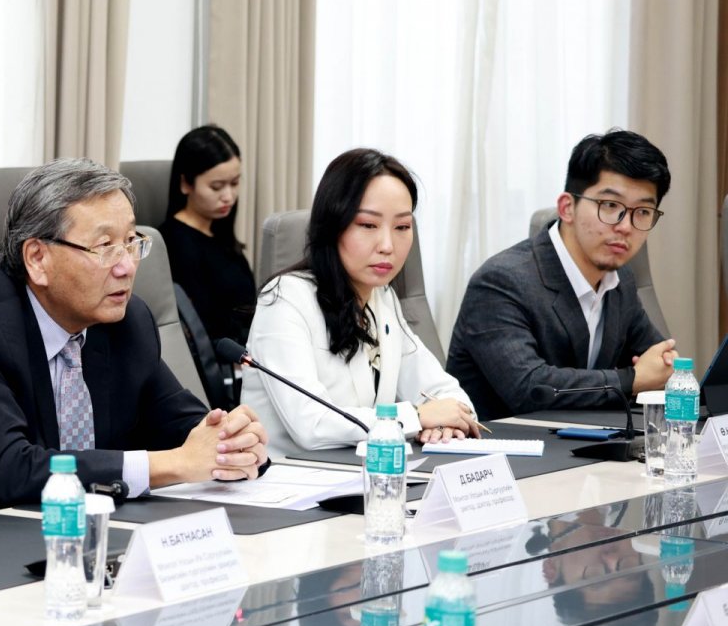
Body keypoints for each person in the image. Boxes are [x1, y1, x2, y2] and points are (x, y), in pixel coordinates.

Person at [0, 158, 269, 518]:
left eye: (131, 241)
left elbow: (180, 422)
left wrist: (231, 441)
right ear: (37, 259)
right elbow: (11, 470)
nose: (127, 267)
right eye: (105, 246)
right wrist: (176, 464)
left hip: (64, 537)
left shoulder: (125, 321)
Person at [240, 149, 480, 459]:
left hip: (364, 474)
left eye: (402, 227)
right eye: (368, 225)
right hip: (287, 480)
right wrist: (417, 418)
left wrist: (446, 425)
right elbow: (311, 425)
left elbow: (446, 395)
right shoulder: (284, 299)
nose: (387, 245)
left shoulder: (382, 298)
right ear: (332, 226)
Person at [447, 129, 677, 419]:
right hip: (507, 443)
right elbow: (530, 388)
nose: (625, 226)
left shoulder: (622, 281)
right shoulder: (501, 281)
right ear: (567, 208)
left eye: (643, 211)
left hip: (585, 441)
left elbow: (658, 361)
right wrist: (632, 379)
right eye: (610, 206)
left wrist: (665, 368)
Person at [159, 125, 256, 349]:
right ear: (186, 184)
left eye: (234, 183)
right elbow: (205, 329)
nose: (228, 196)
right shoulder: (174, 244)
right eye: (216, 187)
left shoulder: (219, 232)